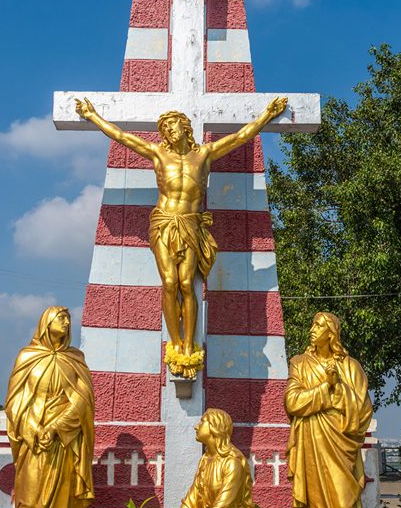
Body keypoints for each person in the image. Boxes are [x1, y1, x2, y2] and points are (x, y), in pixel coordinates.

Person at [75, 97, 288, 377]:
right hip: (164, 222)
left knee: (187, 283)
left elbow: (240, 136)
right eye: (165, 131)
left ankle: (189, 344)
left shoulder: (205, 155)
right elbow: (122, 136)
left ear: (185, 128)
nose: (169, 134)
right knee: (170, 282)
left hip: (190, 223)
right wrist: (92, 116)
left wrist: (266, 116)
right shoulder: (158, 154)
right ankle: (174, 343)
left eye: (172, 128)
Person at [5, 306, 95, 508]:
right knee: (30, 501)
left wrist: (56, 426)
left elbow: (83, 402)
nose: (67, 322)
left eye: (68, 318)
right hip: (34, 444)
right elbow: (14, 402)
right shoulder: (27, 357)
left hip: (63, 444)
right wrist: (34, 428)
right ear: (47, 323)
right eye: (61, 318)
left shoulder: (75, 358)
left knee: (63, 505)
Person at [284, 312, 374, 508]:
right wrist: (326, 389)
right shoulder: (300, 364)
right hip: (311, 446)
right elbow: (292, 402)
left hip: (341, 446)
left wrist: (340, 390)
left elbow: (364, 410)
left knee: (344, 505)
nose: (312, 329)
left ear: (331, 333)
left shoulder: (351, 367)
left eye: (319, 325)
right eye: (312, 324)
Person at [163, 408, 255, 508]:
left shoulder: (233, 463)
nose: (196, 426)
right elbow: (191, 504)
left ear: (215, 427)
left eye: (202, 421)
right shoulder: (205, 460)